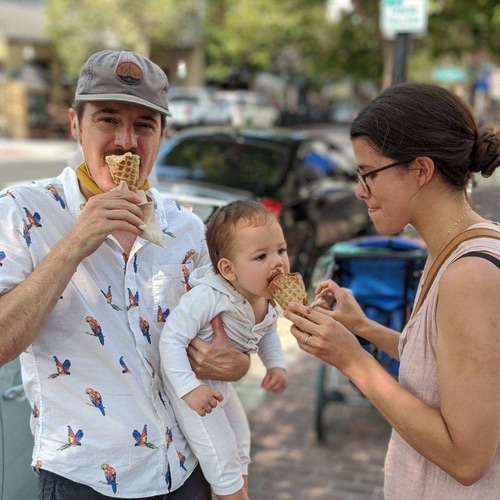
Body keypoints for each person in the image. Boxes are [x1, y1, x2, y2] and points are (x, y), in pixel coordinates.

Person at [0, 49, 250, 499]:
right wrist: (76, 242)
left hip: (186, 472)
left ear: (162, 135)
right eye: (108, 119)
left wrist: (237, 363)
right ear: (75, 125)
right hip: (85, 481)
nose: (125, 142)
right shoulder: (22, 211)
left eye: (143, 125)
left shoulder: (186, 228)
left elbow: (224, 345)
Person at [283, 82, 500, 499]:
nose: (359, 189)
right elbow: (451, 370)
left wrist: (353, 361)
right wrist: (364, 328)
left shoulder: (470, 274)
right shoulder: (456, 248)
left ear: (420, 170)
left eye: (368, 174)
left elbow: (468, 459)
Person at [160, 200, 288, 500]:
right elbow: (171, 340)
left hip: (221, 387)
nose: (278, 263)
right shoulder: (209, 296)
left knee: (241, 442)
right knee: (221, 454)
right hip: (192, 388)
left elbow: (268, 330)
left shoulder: (265, 295)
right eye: (261, 256)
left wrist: (276, 365)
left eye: (281, 250)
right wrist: (189, 389)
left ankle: (236, 493)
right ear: (228, 269)